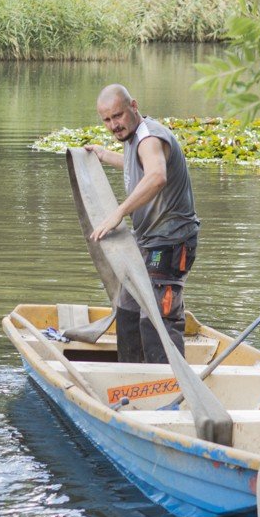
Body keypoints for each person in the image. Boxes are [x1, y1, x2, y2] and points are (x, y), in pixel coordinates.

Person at [85, 84, 199, 364]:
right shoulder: (135, 140)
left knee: (157, 317)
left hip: (171, 242)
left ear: (133, 106)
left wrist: (119, 213)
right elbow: (135, 166)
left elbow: (157, 176)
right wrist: (102, 154)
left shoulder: (149, 137)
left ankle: (169, 386)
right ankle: (131, 377)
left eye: (118, 116)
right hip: (148, 241)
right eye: (107, 120)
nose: (114, 125)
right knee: (127, 310)